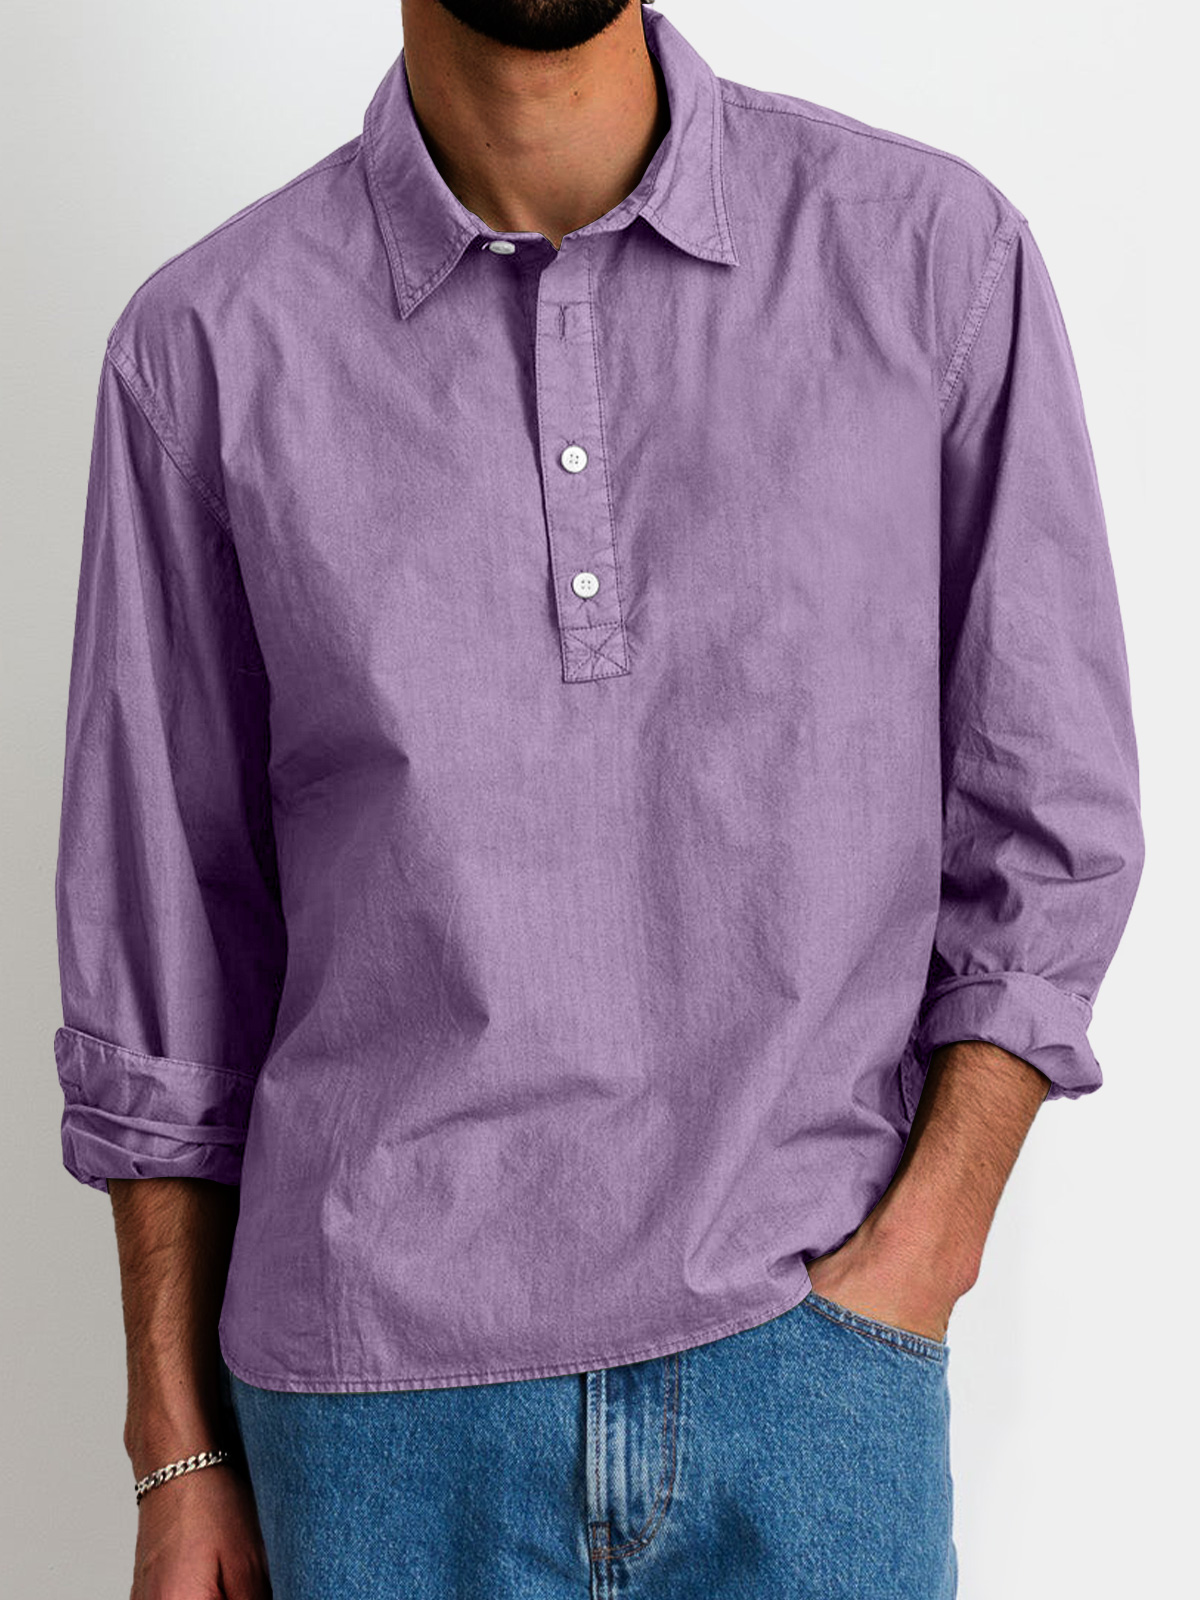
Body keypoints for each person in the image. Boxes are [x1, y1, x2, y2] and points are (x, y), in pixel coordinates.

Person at [51, 1, 1144, 1596]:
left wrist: (929, 1247)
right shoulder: (206, 345)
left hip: (809, 1374)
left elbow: (1049, 808)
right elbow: (159, 952)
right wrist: (175, 1450)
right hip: (372, 1425)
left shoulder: (927, 258)